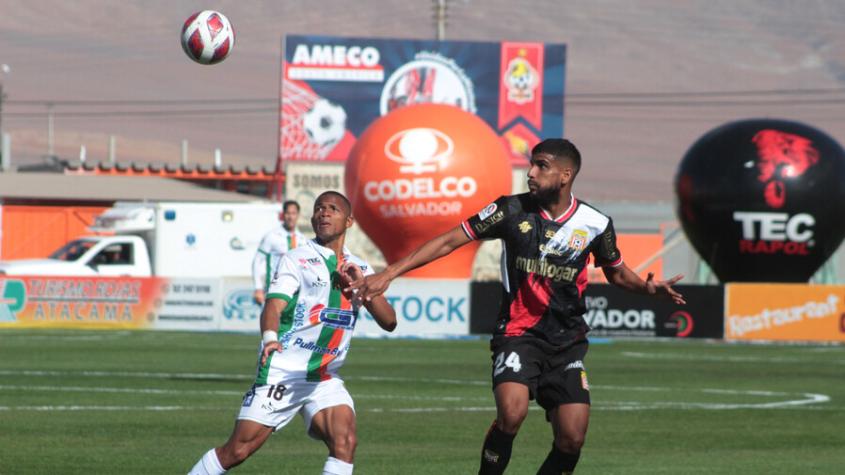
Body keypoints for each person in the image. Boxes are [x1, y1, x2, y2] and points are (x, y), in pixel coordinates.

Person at [350, 139, 685, 474]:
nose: (531, 173)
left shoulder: (595, 223)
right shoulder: (509, 210)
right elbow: (450, 239)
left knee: (572, 437)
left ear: (565, 175)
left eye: (541, 166)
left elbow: (617, 272)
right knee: (512, 413)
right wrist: (390, 273)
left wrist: (646, 287)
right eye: (531, 164)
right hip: (517, 334)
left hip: (567, 343)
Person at [188, 191, 397, 475]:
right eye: (319, 208)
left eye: (332, 208)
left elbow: (389, 321)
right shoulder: (296, 259)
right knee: (237, 451)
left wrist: (363, 287)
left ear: (348, 221)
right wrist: (270, 339)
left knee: (345, 441)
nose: (324, 213)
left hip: (324, 377)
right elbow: (274, 305)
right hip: (285, 370)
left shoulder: (360, 267)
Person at [252, 200, 308, 305]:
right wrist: (258, 288)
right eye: (288, 213)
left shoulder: (302, 239)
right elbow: (258, 261)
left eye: (293, 213)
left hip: (296, 293)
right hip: (274, 291)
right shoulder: (272, 236)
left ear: (298, 215)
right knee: (272, 321)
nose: (290, 217)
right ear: (283, 215)